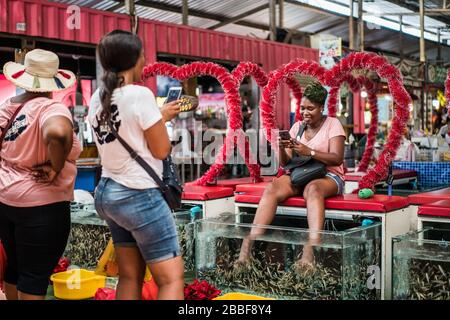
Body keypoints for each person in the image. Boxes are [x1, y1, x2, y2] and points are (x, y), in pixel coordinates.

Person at [89, 30, 184, 300]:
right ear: (135, 58)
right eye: (143, 54)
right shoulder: (140, 95)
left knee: (130, 275)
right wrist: (161, 118)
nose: (145, 59)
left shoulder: (99, 97)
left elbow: (125, 135)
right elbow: (161, 149)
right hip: (138, 195)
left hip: (108, 193)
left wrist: (158, 116)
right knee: (170, 280)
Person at [0, 49, 81, 300]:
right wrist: (56, 167)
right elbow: (57, 133)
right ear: (53, 81)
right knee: (34, 278)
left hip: (5, 201)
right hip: (42, 206)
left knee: (14, 269)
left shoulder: (6, 108)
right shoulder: (50, 107)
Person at [238, 82, 346, 268]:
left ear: (321, 107)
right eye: (303, 108)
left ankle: (310, 249)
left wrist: (309, 151)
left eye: (311, 108)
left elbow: (337, 159)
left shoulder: (333, 124)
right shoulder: (297, 127)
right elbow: (286, 163)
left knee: (313, 189)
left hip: (329, 176)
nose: (305, 112)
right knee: (272, 187)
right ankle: (247, 245)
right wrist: (280, 147)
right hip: (301, 175)